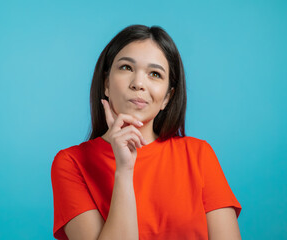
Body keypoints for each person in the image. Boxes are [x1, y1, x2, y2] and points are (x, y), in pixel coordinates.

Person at [51, 24, 242, 240]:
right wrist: (124, 171)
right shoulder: (71, 163)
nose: (138, 83)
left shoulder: (199, 155)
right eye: (126, 68)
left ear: (168, 97)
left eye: (155, 74)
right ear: (106, 84)